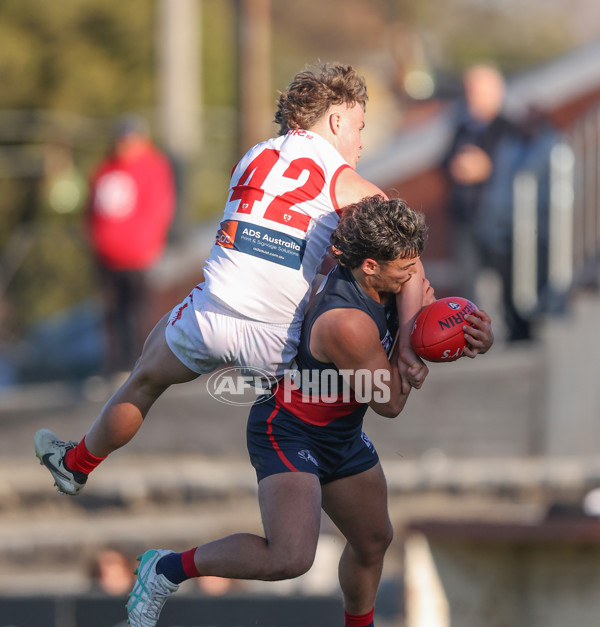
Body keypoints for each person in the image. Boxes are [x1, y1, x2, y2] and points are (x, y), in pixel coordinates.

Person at [126, 196, 494, 627]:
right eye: (403, 267)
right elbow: (391, 404)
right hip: (289, 428)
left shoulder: (389, 270)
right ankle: (167, 569)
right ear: (369, 266)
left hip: (339, 430)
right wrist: (419, 349)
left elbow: (417, 299)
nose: (414, 275)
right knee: (291, 556)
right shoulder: (345, 323)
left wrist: (463, 339)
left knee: (373, 538)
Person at [34, 63, 429, 496]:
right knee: (330, 409)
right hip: (279, 343)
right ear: (336, 121)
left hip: (211, 316)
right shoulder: (346, 182)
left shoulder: (252, 155)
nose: (360, 141)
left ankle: (76, 465)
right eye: (359, 126)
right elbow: (406, 252)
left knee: (143, 380)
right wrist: (409, 338)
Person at [442, 63, 529, 341]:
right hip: (466, 217)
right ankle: (466, 336)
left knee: (509, 278)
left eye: (477, 90)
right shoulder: (461, 127)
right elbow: (443, 162)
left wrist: (486, 167)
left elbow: (520, 168)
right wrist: (457, 165)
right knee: (467, 282)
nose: (471, 96)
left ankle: (519, 333)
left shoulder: (510, 128)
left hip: (500, 219)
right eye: (468, 90)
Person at [87, 114, 176, 372]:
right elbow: (91, 209)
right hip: (107, 256)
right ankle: (117, 367)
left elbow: (160, 207)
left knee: (142, 312)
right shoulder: (104, 168)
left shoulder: (153, 166)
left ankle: (146, 365)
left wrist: (150, 244)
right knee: (114, 314)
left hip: (139, 256)